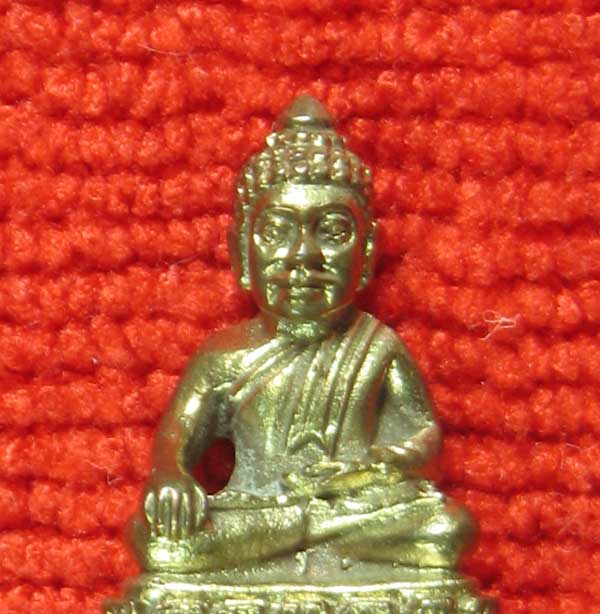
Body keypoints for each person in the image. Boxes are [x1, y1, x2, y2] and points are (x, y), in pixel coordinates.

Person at [130, 95, 472, 573]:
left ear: (367, 253)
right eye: (277, 232)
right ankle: (309, 527)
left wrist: (375, 467)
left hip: (352, 508)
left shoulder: (377, 346)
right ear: (240, 252)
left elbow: (424, 440)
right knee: (161, 541)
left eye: (331, 231)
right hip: (256, 510)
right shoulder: (225, 355)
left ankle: (311, 527)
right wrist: (171, 479)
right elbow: (176, 442)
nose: (304, 255)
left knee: (446, 530)